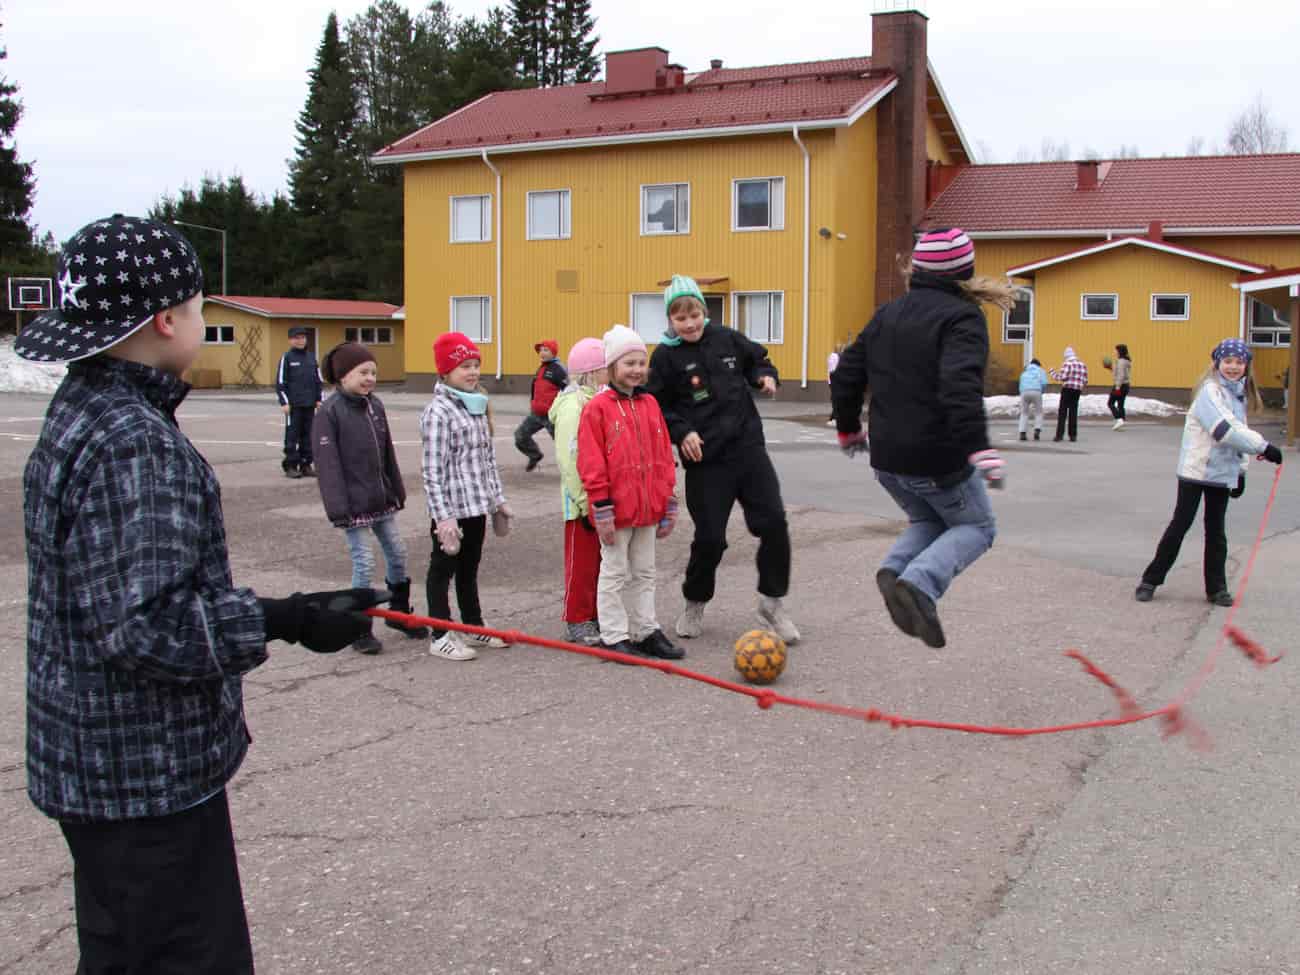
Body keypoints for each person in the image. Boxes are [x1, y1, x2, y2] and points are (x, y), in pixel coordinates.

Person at [17, 215, 383, 974]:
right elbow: (145, 626)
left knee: (122, 951)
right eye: (197, 307)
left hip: (94, 763)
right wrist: (283, 618)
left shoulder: (84, 405)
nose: (198, 320)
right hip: (142, 776)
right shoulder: (135, 441)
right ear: (166, 319)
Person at [831, 227, 1012, 649]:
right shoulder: (963, 318)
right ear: (964, 273)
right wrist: (979, 448)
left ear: (918, 270)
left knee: (930, 520)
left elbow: (846, 373)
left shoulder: (887, 314)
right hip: (936, 460)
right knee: (977, 527)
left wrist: (848, 428)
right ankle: (919, 583)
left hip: (887, 460)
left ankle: (895, 570)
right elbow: (959, 387)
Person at [647, 274, 799, 644]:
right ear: (670, 320)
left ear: (704, 311)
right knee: (710, 538)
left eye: (694, 315)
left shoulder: (727, 338)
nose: (689, 324)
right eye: (680, 318)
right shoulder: (665, 357)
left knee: (774, 523)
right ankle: (695, 600)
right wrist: (683, 432)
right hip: (707, 461)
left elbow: (758, 360)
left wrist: (764, 377)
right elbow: (657, 406)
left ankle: (771, 604)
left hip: (748, 449)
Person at [1135, 338, 1284, 606]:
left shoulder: (1237, 395)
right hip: (1196, 471)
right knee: (1180, 525)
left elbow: (1240, 431)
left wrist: (1240, 472)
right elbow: (1224, 430)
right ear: (1217, 363)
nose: (1233, 367)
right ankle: (1150, 580)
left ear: (1246, 366)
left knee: (1216, 532)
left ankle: (1216, 589)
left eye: (1239, 362)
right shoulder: (1210, 392)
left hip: (1221, 474)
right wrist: (1265, 447)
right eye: (1228, 361)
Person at [578, 325, 686, 659]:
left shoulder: (650, 403)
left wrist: (668, 498)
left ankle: (645, 630)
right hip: (616, 508)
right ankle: (613, 635)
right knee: (614, 572)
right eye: (629, 363)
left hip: (648, 507)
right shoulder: (597, 408)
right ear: (611, 366)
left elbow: (663, 454)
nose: (637, 369)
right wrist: (601, 504)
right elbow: (590, 460)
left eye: (641, 363)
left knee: (645, 571)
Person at [314, 342, 429, 654]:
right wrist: (339, 507)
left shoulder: (375, 406)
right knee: (364, 563)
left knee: (398, 553)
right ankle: (358, 628)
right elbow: (328, 466)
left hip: (381, 499)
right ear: (342, 376)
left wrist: (396, 489)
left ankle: (398, 613)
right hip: (353, 506)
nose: (370, 378)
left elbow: (387, 452)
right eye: (363, 372)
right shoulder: (329, 412)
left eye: (373, 373)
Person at [422, 331, 514, 660]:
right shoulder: (438, 412)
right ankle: (440, 633)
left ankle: (473, 624)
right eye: (465, 367)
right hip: (452, 510)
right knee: (442, 569)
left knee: (469, 568)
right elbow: (432, 471)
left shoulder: (476, 406)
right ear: (445, 371)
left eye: (476, 365)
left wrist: (497, 501)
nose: (473, 372)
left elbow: (487, 461)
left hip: (476, 505)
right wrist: (443, 517)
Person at [549, 336, 607, 646]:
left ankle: (593, 613)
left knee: (599, 562)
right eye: (607, 367)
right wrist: (585, 501)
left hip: (598, 500)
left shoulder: (595, 400)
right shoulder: (574, 406)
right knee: (581, 564)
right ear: (593, 371)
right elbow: (570, 459)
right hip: (581, 503)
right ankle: (577, 618)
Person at [277, 325, 323, 478]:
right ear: (290, 340)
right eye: (296, 338)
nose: (300, 341)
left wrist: (319, 399)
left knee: (308, 435)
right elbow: (280, 383)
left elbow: (318, 381)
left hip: (309, 405)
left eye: (302, 337)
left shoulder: (311, 358)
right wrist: (284, 402)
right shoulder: (287, 358)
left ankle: (306, 464)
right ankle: (290, 465)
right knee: (292, 436)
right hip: (294, 406)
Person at [515, 338, 567, 471]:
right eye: (541, 350)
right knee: (520, 436)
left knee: (564, 445)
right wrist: (533, 403)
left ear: (553, 352)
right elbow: (535, 389)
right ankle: (535, 455)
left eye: (546, 350)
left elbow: (568, 391)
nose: (542, 353)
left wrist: (562, 411)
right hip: (536, 414)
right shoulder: (541, 369)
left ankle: (573, 469)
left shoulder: (559, 369)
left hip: (552, 416)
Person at [1049, 346, 1088, 442]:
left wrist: (1052, 373)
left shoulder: (1067, 364)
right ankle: (1073, 435)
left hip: (1067, 389)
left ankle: (1059, 435)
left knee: (1063, 412)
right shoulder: (1082, 365)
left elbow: (1062, 377)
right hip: (1077, 390)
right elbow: (1085, 380)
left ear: (1066, 356)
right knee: (1073, 411)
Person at [1017, 357, 1048, 441]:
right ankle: (1037, 430)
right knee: (1038, 412)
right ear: (1038, 365)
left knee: (1024, 413)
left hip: (1024, 392)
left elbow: (1020, 384)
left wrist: (1022, 393)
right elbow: (1044, 383)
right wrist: (1042, 391)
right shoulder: (1041, 371)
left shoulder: (1024, 372)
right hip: (1036, 391)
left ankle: (1022, 432)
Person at [1105, 343, 1133, 430]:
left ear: (1119, 351)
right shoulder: (1126, 361)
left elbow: (1121, 375)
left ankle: (1119, 419)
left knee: (1110, 403)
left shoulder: (1121, 362)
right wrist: (1110, 368)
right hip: (1126, 385)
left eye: (1116, 350)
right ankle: (1121, 421)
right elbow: (1119, 372)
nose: (1115, 352)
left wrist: (1117, 387)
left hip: (1120, 386)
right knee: (1120, 405)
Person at [826, 343, 843, 426]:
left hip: (832, 381)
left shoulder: (831, 356)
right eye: (841, 349)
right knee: (837, 401)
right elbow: (835, 370)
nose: (842, 350)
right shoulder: (835, 357)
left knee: (837, 400)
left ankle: (833, 418)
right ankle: (834, 419)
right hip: (835, 381)